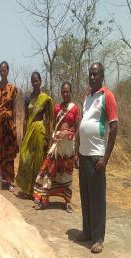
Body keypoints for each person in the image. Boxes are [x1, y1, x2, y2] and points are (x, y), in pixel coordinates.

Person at [74, 62, 119, 254]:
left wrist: (105, 158)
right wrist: (76, 151)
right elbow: (82, 125)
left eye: (95, 74)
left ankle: (98, 238)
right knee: (85, 195)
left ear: (102, 76)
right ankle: (87, 231)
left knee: (98, 198)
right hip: (84, 155)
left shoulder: (107, 96)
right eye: (90, 74)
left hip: (96, 156)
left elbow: (114, 127)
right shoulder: (87, 96)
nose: (92, 77)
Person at [33, 82, 79, 212]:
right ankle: (44, 199)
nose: (65, 94)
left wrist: (69, 136)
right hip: (57, 145)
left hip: (68, 146)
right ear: (61, 93)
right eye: (63, 92)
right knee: (49, 170)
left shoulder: (75, 108)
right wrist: (55, 135)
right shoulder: (57, 107)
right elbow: (54, 125)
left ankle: (67, 202)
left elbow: (76, 128)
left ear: (71, 92)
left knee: (67, 174)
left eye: (67, 92)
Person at [15, 71, 53, 198]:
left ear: (40, 81)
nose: (35, 83)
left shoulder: (45, 99)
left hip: (40, 132)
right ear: (31, 83)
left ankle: (37, 191)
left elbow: (48, 119)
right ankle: (27, 189)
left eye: (37, 80)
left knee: (38, 160)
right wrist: (24, 135)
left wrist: (48, 137)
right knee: (26, 158)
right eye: (33, 81)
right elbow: (26, 119)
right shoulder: (27, 98)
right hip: (30, 131)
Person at [0, 61, 19, 192]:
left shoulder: (12, 88)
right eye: (1, 70)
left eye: (5, 70)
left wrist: (15, 124)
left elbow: (14, 108)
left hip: (9, 125)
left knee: (9, 152)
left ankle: (9, 181)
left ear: (8, 71)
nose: (3, 72)